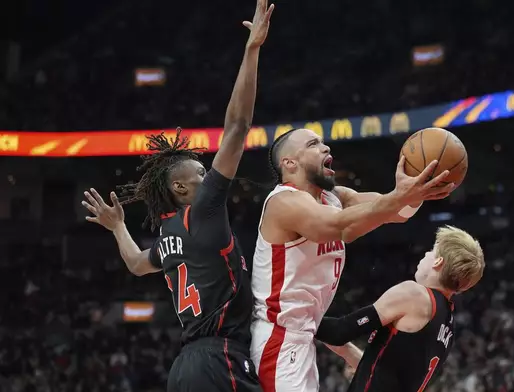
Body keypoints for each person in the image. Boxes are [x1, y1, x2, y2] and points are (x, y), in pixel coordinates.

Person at [80, 2, 273, 391]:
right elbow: (237, 126)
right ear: (180, 189)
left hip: (184, 370)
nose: (209, 176)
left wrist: (118, 226)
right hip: (219, 360)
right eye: (200, 173)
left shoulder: (168, 238)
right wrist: (251, 50)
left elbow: (136, 263)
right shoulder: (202, 212)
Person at [250, 127, 456, 392]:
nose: (326, 148)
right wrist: (399, 196)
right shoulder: (284, 202)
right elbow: (337, 227)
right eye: (313, 144)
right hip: (277, 338)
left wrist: (416, 191)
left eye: (323, 143)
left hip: (303, 337)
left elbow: (395, 211)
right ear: (289, 163)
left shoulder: (336, 198)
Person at [316, 226, 485, 392]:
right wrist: (349, 352)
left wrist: (294, 311)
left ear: (438, 261)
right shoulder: (448, 324)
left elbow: (338, 332)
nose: (425, 254)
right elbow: (391, 374)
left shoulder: (415, 294)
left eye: (432, 251)